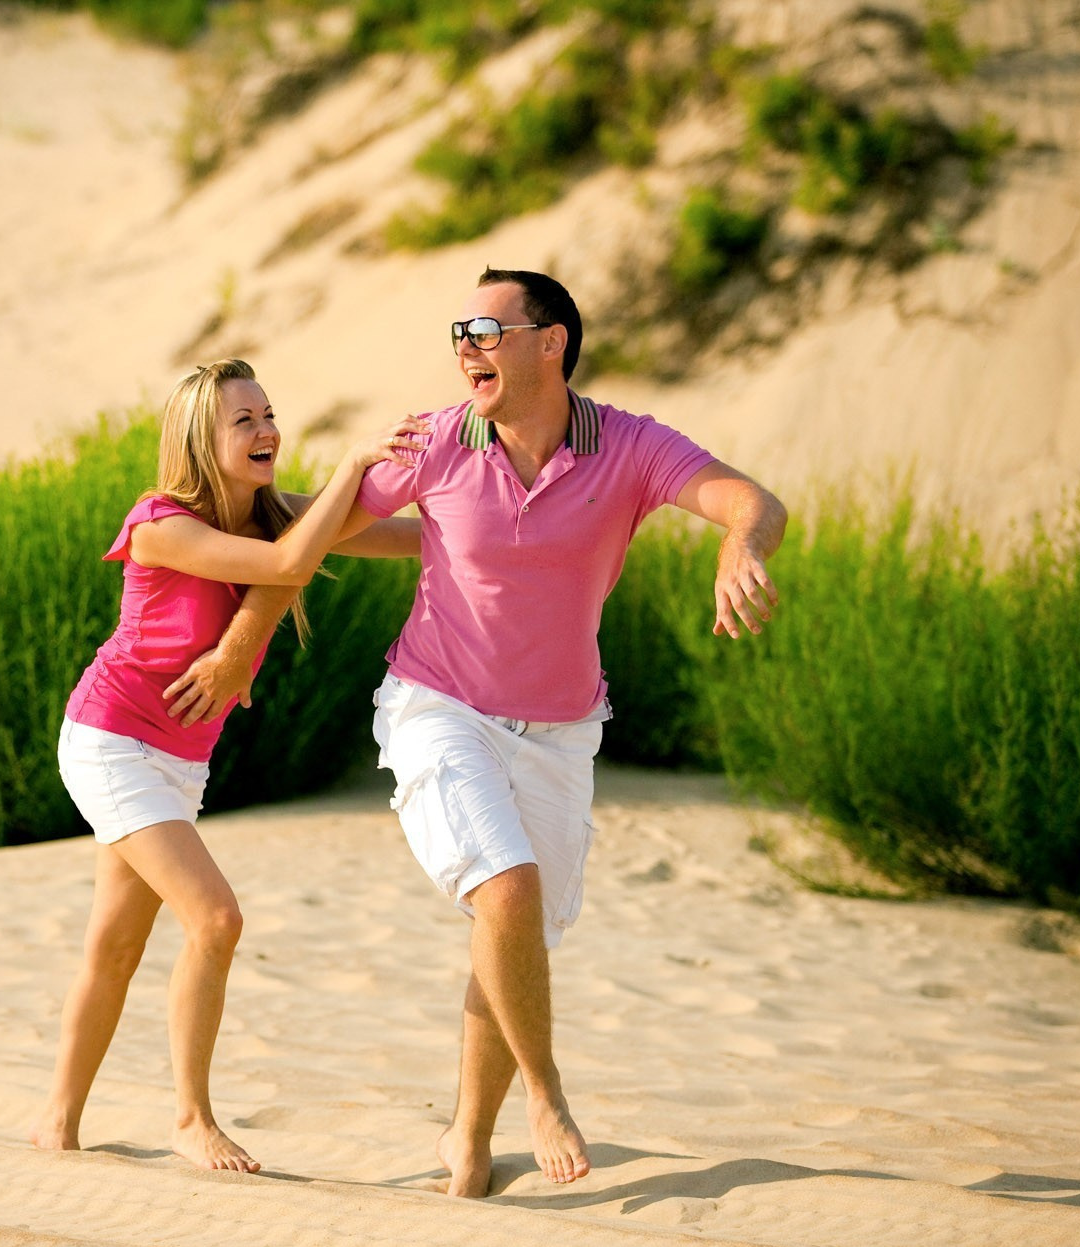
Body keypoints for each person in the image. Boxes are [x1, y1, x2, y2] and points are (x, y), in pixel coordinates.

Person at [161, 270, 787, 1196]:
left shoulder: (630, 445)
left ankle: (468, 1138)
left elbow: (749, 499)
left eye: (487, 330)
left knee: (515, 927)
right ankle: (547, 1095)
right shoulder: (438, 438)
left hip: (564, 729)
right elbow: (311, 530)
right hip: (437, 705)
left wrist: (742, 546)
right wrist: (236, 634)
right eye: (460, 330)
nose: (466, 346)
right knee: (506, 887)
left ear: (551, 344)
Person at [33, 358, 422, 1173]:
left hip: (180, 758)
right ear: (200, 442)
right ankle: (191, 1118)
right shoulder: (160, 522)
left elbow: (409, 538)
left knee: (112, 946)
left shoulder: (276, 515)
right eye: (243, 421)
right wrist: (353, 468)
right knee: (215, 918)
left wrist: (508, 520)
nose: (266, 430)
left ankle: (55, 1129)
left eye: (269, 413)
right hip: (110, 738)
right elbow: (288, 568)